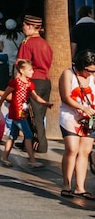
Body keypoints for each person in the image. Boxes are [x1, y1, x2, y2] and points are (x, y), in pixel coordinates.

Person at [0, 58, 52, 168]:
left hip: (23, 112)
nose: (32, 72)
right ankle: (32, 160)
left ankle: (5, 157)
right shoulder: (16, 82)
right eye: (30, 70)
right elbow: (5, 94)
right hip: (17, 112)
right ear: (22, 71)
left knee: (12, 135)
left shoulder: (29, 84)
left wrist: (45, 103)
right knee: (28, 134)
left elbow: (35, 96)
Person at [58, 49, 95, 199]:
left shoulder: (93, 77)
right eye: (88, 70)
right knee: (71, 149)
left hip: (89, 118)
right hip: (70, 116)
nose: (90, 73)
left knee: (84, 151)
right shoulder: (68, 74)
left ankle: (80, 187)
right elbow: (66, 97)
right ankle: (66, 185)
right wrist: (82, 108)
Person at [17, 14, 54, 153]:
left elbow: (21, 65)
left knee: (33, 115)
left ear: (31, 27)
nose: (23, 27)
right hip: (45, 81)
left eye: (25, 25)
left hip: (33, 82)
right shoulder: (45, 44)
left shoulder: (27, 43)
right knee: (39, 114)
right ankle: (29, 140)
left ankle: (40, 145)